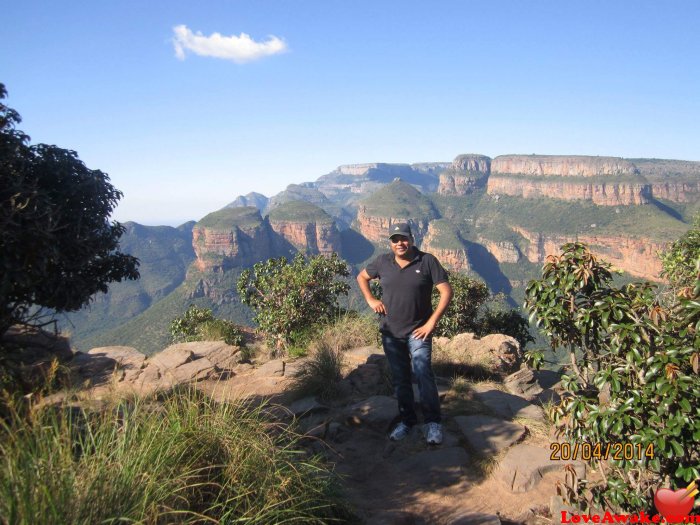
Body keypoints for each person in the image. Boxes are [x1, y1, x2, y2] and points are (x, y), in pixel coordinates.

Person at [356, 222, 453, 444]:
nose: (400, 243)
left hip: (419, 332)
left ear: (412, 238)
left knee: (422, 373)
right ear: (390, 242)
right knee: (400, 379)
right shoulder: (382, 262)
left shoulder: (427, 261)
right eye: (395, 239)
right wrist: (371, 299)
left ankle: (433, 423)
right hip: (391, 333)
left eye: (404, 238)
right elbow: (361, 277)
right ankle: (407, 422)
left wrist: (431, 324)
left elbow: (446, 291)